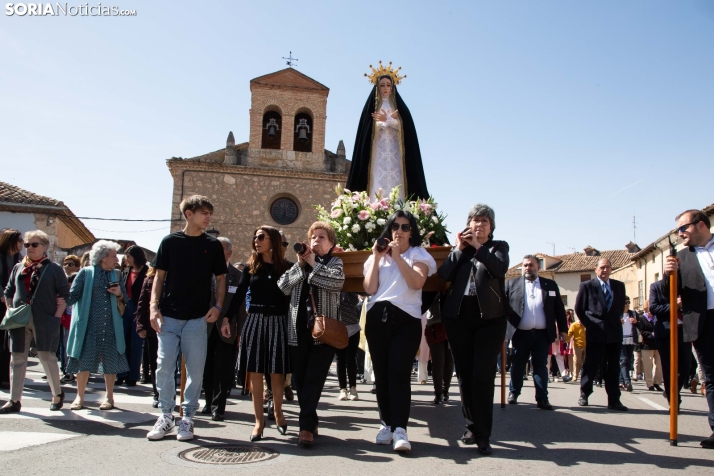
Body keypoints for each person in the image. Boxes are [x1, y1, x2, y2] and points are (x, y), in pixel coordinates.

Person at [147, 195, 227, 441]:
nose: (208, 218)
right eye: (204, 213)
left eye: (209, 213)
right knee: (164, 367)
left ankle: (188, 418)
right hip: (169, 316)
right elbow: (159, 277)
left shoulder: (212, 245)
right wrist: (153, 307)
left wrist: (218, 306)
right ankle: (166, 416)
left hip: (198, 318)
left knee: (195, 370)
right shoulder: (169, 242)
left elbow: (221, 278)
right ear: (189, 214)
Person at [437, 204, 508, 455]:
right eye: (475, 221)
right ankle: (470, 426)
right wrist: (459, 248)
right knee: (465, 375)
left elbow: (498, 270)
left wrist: (478, 247)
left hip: (490, 319)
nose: (479, 225)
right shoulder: (461, 251)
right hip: (459, 318)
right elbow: (443, 275)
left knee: (482, 376)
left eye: (484, 222)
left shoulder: (498, 248)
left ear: (491, 227)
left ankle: (483, 434)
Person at [364, 210, 437, 452]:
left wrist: (397, 257)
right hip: (378, 317)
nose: (400, 231)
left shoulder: (419, 255)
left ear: (412, 231)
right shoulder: (378, 256)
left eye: (405, 227)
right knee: (382, 374)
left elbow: (417, 283)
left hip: (406, 319)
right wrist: (377, 257)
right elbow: (370, 288)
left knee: (399, 372)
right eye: (395, 226)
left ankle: (400, 429)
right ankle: (385, 424)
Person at [277, 221, 345, 447]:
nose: (316, 240)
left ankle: (305, 428)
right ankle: (311, 419)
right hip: (297, 331)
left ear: (331, 243)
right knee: (300, 382)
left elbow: (335, 282)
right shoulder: (299, 266)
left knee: (314, 380)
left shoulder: (335, 262)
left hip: (323, 333)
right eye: (313, 237)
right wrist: (300, 264)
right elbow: (283, 287)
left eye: (322, 237)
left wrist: (313, 263)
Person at [225, 225, 290, 442]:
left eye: (261, 237)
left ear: (272, 240)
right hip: (254, 321)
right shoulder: (251, 267)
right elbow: (239, 295)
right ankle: (259, 422)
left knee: (276, 371)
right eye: (254, 237)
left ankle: (279, 414)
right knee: (255, 371)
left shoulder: (287, 268)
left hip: (279, 321)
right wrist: (226, 317)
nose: (256, 240)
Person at [662, 209, 714, 449]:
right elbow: (668, 294)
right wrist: (667, 275)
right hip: (703, 323)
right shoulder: (682, 257)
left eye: (684, 228)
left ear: (701, 225)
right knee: (712, 378)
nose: (680, 233)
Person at [1, 230, 68, 413]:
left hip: (45, 318)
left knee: (47, 356)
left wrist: (56, 316)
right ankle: (14, 400)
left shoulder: (54, 268)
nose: (29, 248)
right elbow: (8, 291)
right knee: (17, 358)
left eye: (34, 244)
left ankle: (57, 394)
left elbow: (64, 293)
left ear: (44, 247)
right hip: (20, 318)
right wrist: (11, 310)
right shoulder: (18, 267)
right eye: (27, 244)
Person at [346, 64, 429, 200]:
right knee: (377, 175)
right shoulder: (372, 107)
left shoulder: (400, 108)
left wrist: (390, 120)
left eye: (388, 85)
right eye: (382, 85)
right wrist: (380, 122)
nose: (385, 88)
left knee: (397, 177)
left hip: (395, 151)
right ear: (378, 87)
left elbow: (407, 129)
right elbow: (365, 131)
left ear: (392, 87)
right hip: (377, 151)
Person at [65, 240, 129, 411]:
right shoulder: (85, 273)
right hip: (88, 326)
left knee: (110, 360)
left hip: (111, 326)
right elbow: (72, 296)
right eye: (114, 256)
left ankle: (109, 397)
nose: (117, 259)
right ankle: (80, 396)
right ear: (102, 258)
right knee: (84, 360)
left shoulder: (116, 274)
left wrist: (120, 294)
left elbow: (126, 301)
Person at [505, 255, 568, 410]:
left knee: (540, 366)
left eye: (531, 265)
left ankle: (542, 398)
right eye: (525, 265)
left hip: (542, 334)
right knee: (518, 365)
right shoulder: (512, 284)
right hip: (520, 333)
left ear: (538, 267)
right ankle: (514, 393)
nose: (528, 268)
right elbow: (502, 309)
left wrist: (564, 330)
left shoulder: (550, 285)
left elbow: (559, 310)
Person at [575, 258, 628, 411]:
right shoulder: (587, 286)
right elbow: (579, 308)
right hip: (595, 331)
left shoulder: (619, 286)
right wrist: (590, 324)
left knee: (613, 367)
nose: (605, 270)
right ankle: (584, 394)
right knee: (591, 365)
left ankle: (614, 400)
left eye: (608, 267)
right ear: (595, 269)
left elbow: (618, 307)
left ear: (611, 269)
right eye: (602, 267)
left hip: (614, 332)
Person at [201, 237, 245, 421]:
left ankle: (218, 407)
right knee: (206, 367)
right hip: (204, 327)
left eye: (221, 249)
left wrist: (240, 332)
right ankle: (209, 401)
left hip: (227, 329)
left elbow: (241, 305)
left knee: (223, 369)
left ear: (229, 252)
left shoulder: (237, 275)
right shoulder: (203, 272)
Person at [116, 245, 148, 387]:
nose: (126, 259)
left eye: (128, 256)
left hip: (140, 309)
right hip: (126, 307)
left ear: (136, 256)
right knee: (122, 341)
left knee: (136, 343)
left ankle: (133, 375)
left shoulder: (147, 272)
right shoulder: (126, 271)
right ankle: (121, 374)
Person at [0, 229, 23, 389]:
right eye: (20, 240)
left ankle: (5, 378)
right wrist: (2, 295)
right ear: (10, 240)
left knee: (8, 343)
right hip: (2, 303)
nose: (23, 243)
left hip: (12, 306)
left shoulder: (20, 260)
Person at [135, 266, 159, 407]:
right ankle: (158, 394)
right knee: (155, 363)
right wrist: (141, 326)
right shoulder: (149, 280)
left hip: (171, 327)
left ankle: (169, 394)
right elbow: (142, 303)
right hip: (152, 327)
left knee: (169, 364)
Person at [424, 296, 453, 404]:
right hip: (435, 324)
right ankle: (438, 393)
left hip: (451, 324)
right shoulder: (433, 283)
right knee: (438, 361)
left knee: (449, 361)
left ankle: (445, 390)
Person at [336, 292, 361, 402]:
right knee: (340, 360)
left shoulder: (350, 291)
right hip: (337, 328)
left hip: (353, 328)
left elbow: (354, 301)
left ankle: (353, 388)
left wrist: (347, 290)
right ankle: (342, 389)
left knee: (351, 359)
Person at [637, 300, 663, 392]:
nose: (650, 311)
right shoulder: (641, 318)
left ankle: (657, 382)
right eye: (648, 309)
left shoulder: (657, 318)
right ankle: (649, 384)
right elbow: (641, 331)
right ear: (645, 309)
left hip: (658, 344)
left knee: (659, 365)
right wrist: (651, 334)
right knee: (648, 365)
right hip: (647, 345)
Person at [619, 297, 639, 392]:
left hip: (631, 339)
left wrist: (636, 322)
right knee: (624, 360)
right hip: (620, 340)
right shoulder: (618, 314)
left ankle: (621, 381)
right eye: (625, 302)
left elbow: (640, 325)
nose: (627, 304)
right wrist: (618, 323)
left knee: (628, 360)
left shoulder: (633, 313)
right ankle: (627, 382)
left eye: (628, 302)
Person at [568, 312, 586, 382]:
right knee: (577, 362)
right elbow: (569, 334)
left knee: (586, 362)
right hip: (577, 346)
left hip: (586, 346)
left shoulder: (586, 324)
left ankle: (585, 377)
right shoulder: (574, 325)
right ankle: (575, 376)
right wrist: (566, 340)